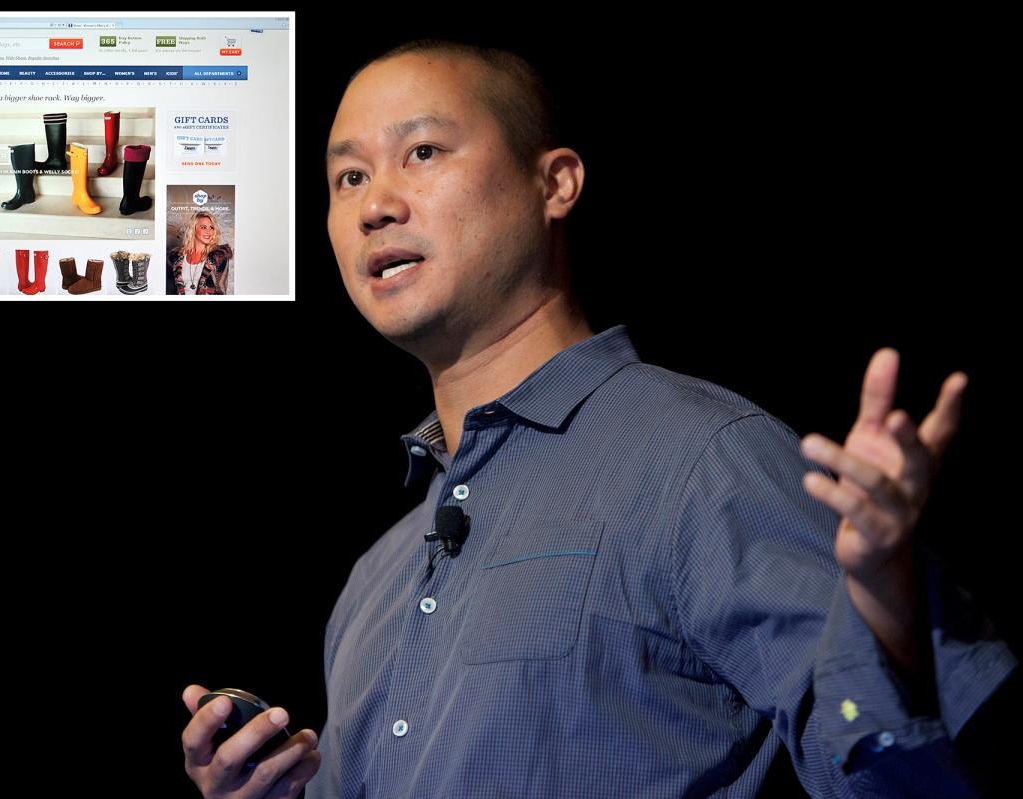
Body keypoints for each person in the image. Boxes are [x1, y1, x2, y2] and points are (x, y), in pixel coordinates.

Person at [180, 40, 1016, 798]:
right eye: (348, 178)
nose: (374, 207)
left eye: (422, 152)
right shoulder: (375, 581)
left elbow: (912, 784)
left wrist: (886, 604)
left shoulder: (702, 459)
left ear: (556, 184)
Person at [167, 211, 234, 295]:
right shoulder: (176, 256)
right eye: (203, 227)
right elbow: (170, 290)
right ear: (193, 230)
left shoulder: (218, 257)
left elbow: (221, 292)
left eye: (211, 228)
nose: (209, 232)